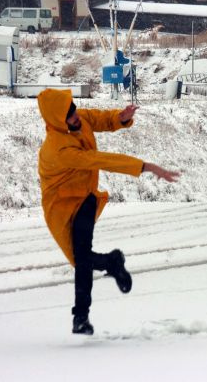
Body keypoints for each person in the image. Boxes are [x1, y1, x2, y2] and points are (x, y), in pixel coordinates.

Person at [37, 88, 180, 335]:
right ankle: (112, 262)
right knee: (79, 259)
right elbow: (101, 160)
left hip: (85, 197)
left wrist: (121, 118)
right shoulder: (59, 149)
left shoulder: (79, 119)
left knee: (82, 258)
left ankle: (80, 317)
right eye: (70, 116)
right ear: (58, 121)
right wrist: (146, 166)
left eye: (74, 110)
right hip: (61, 204)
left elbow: (100, 119)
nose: (76, 117)